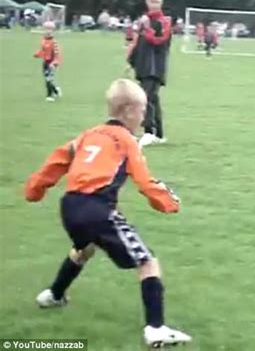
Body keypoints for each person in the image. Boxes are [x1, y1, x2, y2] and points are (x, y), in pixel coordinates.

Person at [25, 79, 192, 347]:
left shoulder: (87, 136)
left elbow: (56, 161)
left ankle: (54, 294)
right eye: (142, 110)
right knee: (147, 262)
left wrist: (35, 189)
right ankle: (156, 328)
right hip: (98, 210)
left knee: (85, 249)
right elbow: (145, 181)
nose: (144, 116)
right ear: (127, 111)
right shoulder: (127, 140)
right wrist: (168, 202)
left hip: (69, 206)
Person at [128, 0, 172, 147]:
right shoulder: (143, 20)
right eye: (151, 2)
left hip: (155, 67)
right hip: (143, 66)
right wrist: (131, 59)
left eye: (156, 2)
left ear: (161, 3)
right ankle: (159, 134)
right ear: (147, 2)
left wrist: (147, 28)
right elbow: (138, 42)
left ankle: (149, 130)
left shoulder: (164, 21)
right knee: (153, 99)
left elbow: (159, 41)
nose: (153, 5)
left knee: (145, 98)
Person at [33, 21, 62, 102]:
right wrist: (37, 54)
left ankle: (49, 96)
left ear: (53, 31)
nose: (48, 31)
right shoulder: (43, 40)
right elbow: (43, 50)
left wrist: (54, 63)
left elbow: (57, 54)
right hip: (45, 62)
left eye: (50, 29)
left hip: (52, 63)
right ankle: (56, 90)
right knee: (47, 79)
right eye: (46, 29)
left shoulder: (54, 42)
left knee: (49, 79)